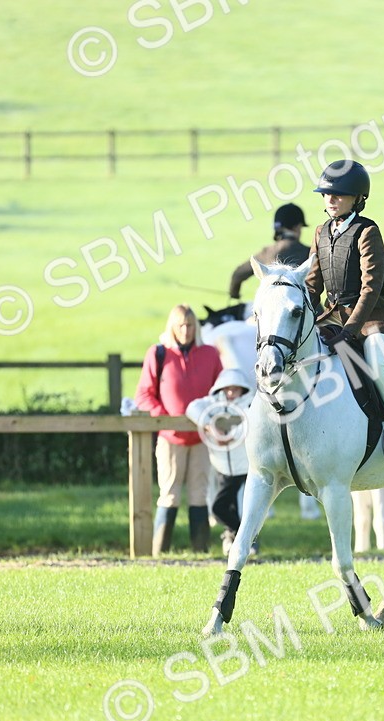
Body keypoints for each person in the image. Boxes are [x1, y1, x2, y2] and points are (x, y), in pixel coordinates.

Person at [306, 159, 384, 461]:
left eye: (338, 194)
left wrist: (350, 329)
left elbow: (370, 288)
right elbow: (312, 284)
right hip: (331, 316)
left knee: (377, 363)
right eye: (326, 194)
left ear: (357, 198)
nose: (330, 200)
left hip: (371, 319)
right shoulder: (320, 231)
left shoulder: (367, 231)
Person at [134, 304, 224, 553]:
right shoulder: (158, 354)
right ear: (172, 327)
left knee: (200, 493)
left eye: (190, 325)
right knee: (170, 493)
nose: (186, 330)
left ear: (197, 327)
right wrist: (163, 418)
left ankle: (200, 551)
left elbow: (221, 389)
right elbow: (143, 394)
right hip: (170, 438)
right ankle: (159, 552)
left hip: (202, 437)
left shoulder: (210, 354)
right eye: (181, 325)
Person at [185, 368, 256, 555]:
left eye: (236, 389)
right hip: (222, 466)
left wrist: (230, 435)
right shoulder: (213, 404)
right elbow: (192, 408)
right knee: (224, 507)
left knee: (237, 507)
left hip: (245, 466)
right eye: (228, 389)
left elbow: (251, 422)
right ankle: (239, 540)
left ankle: (245, 540)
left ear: (244, 390)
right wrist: (209, 425)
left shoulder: (250, 403)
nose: (232, 393)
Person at [229, 203, 310, 300]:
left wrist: (234, 294)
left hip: (270, 308)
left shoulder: (267, 253)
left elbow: (238, 275)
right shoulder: (309, 252)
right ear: (297, 227)